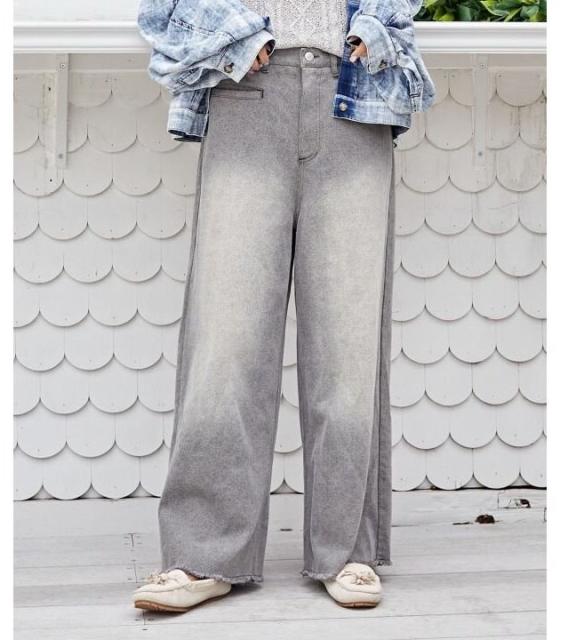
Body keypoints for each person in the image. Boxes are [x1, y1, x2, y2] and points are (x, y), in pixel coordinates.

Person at [132, 0, 434, 611]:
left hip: (354, 93)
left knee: (348, 342)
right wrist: (234, 38)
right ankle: (202, 553)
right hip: (247, 93)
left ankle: (347, 549)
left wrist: (373, 27)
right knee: (225, 339)